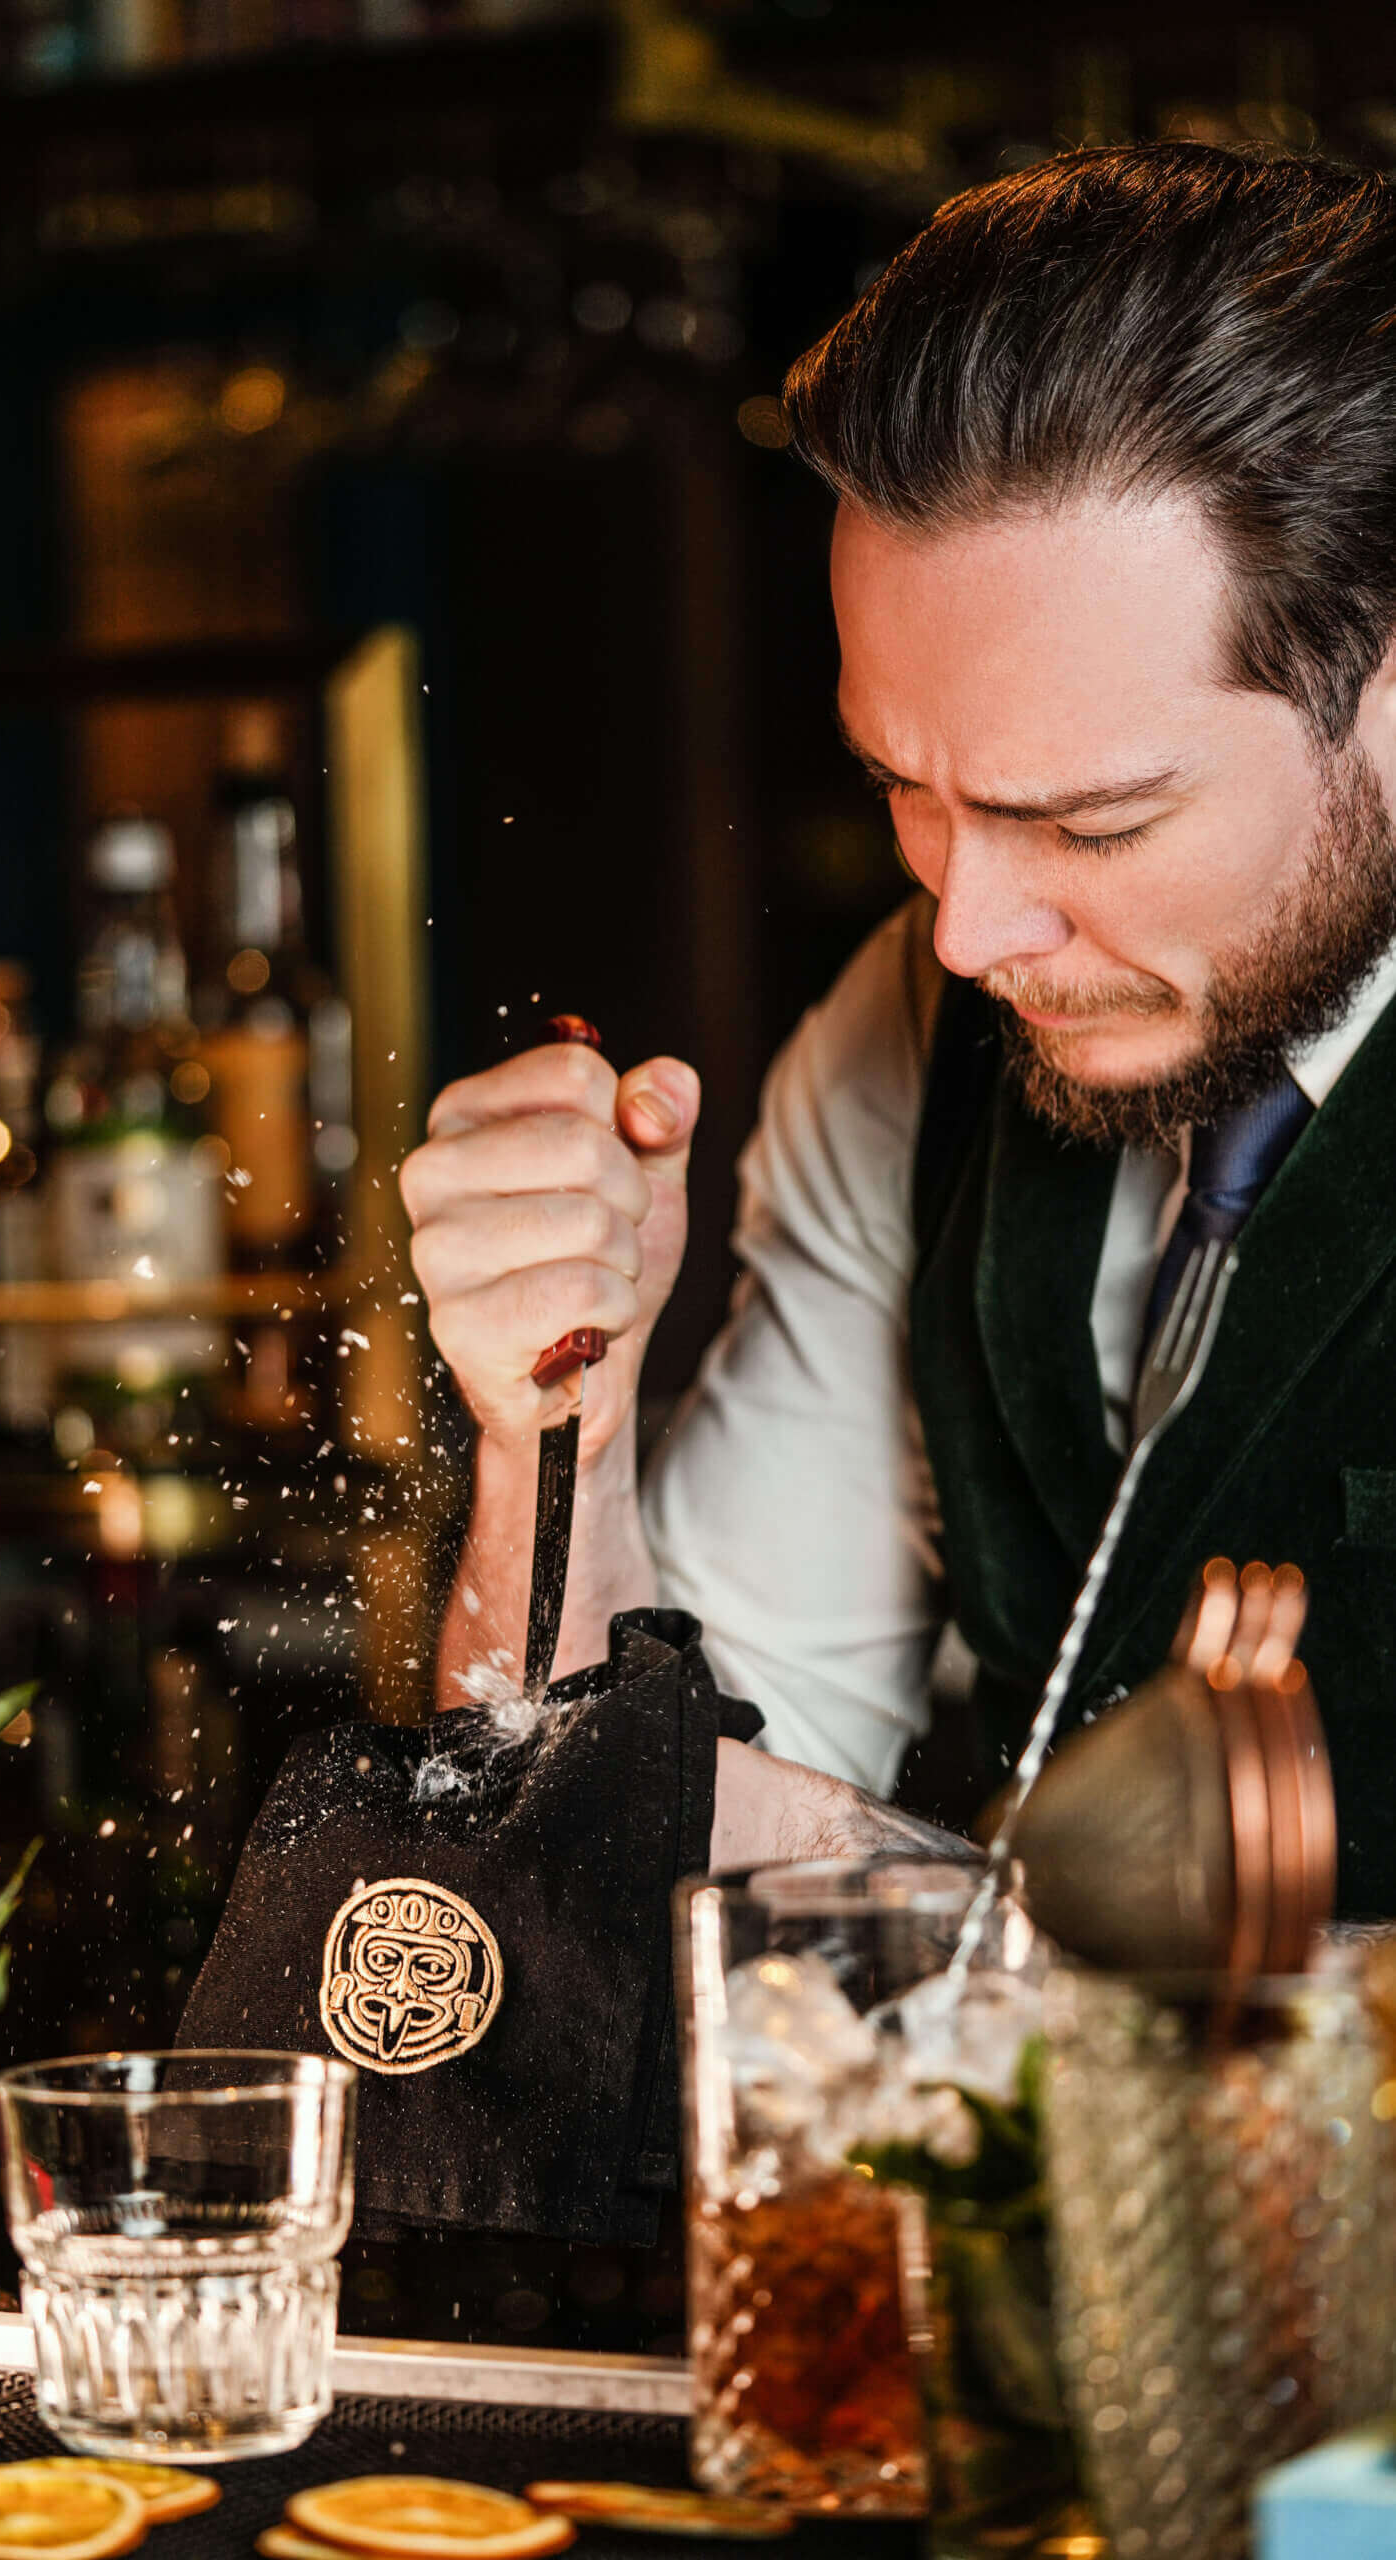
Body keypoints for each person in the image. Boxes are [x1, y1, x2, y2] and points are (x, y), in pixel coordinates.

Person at [401, 142, 1396, 1917]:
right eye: (906, 794)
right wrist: (558, 1446)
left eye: (1093, 824)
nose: (969, 928)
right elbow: (625, 1877)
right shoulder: (906, 1042)